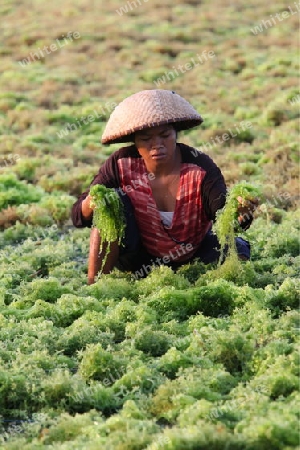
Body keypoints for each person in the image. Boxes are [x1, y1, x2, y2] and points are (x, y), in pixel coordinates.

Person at [71, 89, 258, 284]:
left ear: (175, 133)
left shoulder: (200, 167)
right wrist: (91, 204)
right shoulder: (120, 164)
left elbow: (224, 216)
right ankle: (95, 286)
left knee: (237, 249)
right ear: (134, 141)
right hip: (138, 259)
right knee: (107, 204)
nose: (156, 144)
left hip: (193, 254)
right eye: (146, 139)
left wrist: (242, 212)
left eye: (164, 135)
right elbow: (78, 216)